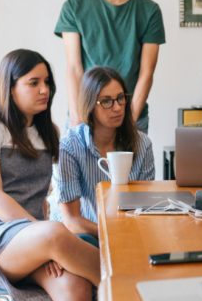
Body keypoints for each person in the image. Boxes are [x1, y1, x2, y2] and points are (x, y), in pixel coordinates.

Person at [0, 49, 98, 301]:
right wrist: (42, 236)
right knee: (56, 233)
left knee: (76, 286)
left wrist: (44, 243)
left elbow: (40, 198)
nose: (44, 90)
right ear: (10, 86)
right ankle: (128, 285)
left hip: (31, 242)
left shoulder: (47, 132)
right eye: (34, 82)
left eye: (47, 82)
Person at [55, 0, 166, 133]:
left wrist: (129, 122)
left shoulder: (149, 11)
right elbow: (74, 68)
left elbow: (146, 73)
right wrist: (78, 118)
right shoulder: (75, 6)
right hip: (87, 115)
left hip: (131, 115)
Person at [52, 67, 155, 243]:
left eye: (121, 98)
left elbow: (144, 207)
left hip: (127, 234)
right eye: (106, 101)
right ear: (90, 105)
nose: (117, 108)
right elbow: (72, 221)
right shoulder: (69, 146)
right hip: (82, 237)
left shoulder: (142, 144)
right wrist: (113, 234)